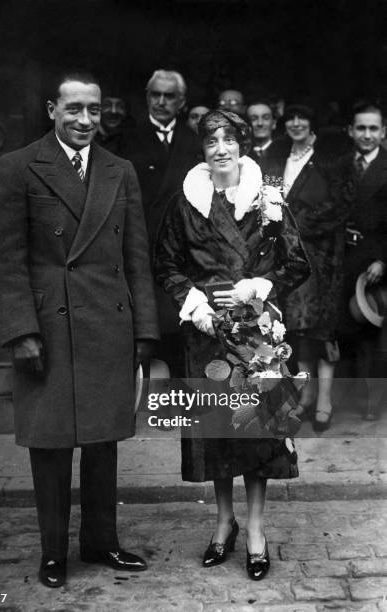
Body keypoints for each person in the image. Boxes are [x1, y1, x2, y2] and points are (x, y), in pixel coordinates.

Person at [0, 71, 159, 588]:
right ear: (52, 110)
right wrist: (21, 331)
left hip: (109, 322)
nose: (85, 120)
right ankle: (54, 552)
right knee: (52, 443)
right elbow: (5, 258)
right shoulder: (17, 167)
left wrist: (145, 332)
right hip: (49, 326)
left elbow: (136, 258)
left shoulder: (119, 170)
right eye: (74, 109)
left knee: (104, 442)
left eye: (94, 110)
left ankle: (102, 542)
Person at [155, 110, 309, 579]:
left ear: (242, 145)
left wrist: (259, 287)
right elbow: (165, 264)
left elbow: (297, 263)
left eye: (228, 140)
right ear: (202, 150)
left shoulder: (268, 197)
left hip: (258, 335)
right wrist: (194, 302)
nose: (220, 148)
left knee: (258, 434)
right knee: (218, 435)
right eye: (211, 141)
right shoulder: (188, 201)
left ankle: (257, 529)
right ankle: (225, 523)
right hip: (205, 335)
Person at [264, 104, 351, 431]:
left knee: (322, 329)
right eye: (291, 119)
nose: (297, 123)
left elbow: (340, 205)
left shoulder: (329, 159)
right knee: (297, 329)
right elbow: (267, 200)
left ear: (312, 123)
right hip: (290, 259)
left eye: (303, 118)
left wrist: (296, 221)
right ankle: (307, 394)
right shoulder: (278, 157)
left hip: (322, 260)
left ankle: (325, 400)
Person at [122, 69, 201, 376]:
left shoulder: (195, 142)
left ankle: (181, 401)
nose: (161, 102)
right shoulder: (127, 141)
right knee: (149, 324)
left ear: (181, 102)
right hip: (143, 245)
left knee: (181, 325)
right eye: (155, 95)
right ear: (147, 98)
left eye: (169, 96)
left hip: (185, 249)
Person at [337, 100, 387, 420]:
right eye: (361, 128)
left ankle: (373, 402)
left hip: (375, 264)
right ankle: (349, 397)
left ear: (383, 132)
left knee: (373, 333)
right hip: (343, 258)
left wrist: (384, 260)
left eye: (373, 128)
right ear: (351, 131)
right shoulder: (339, 165)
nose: (366, 134)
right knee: (347, 329)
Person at [246, 100, 277, 170]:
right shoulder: (241, 155)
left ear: (274, 123)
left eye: (266, 118)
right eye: (253, 119)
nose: (260, 123)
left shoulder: (285, 153)